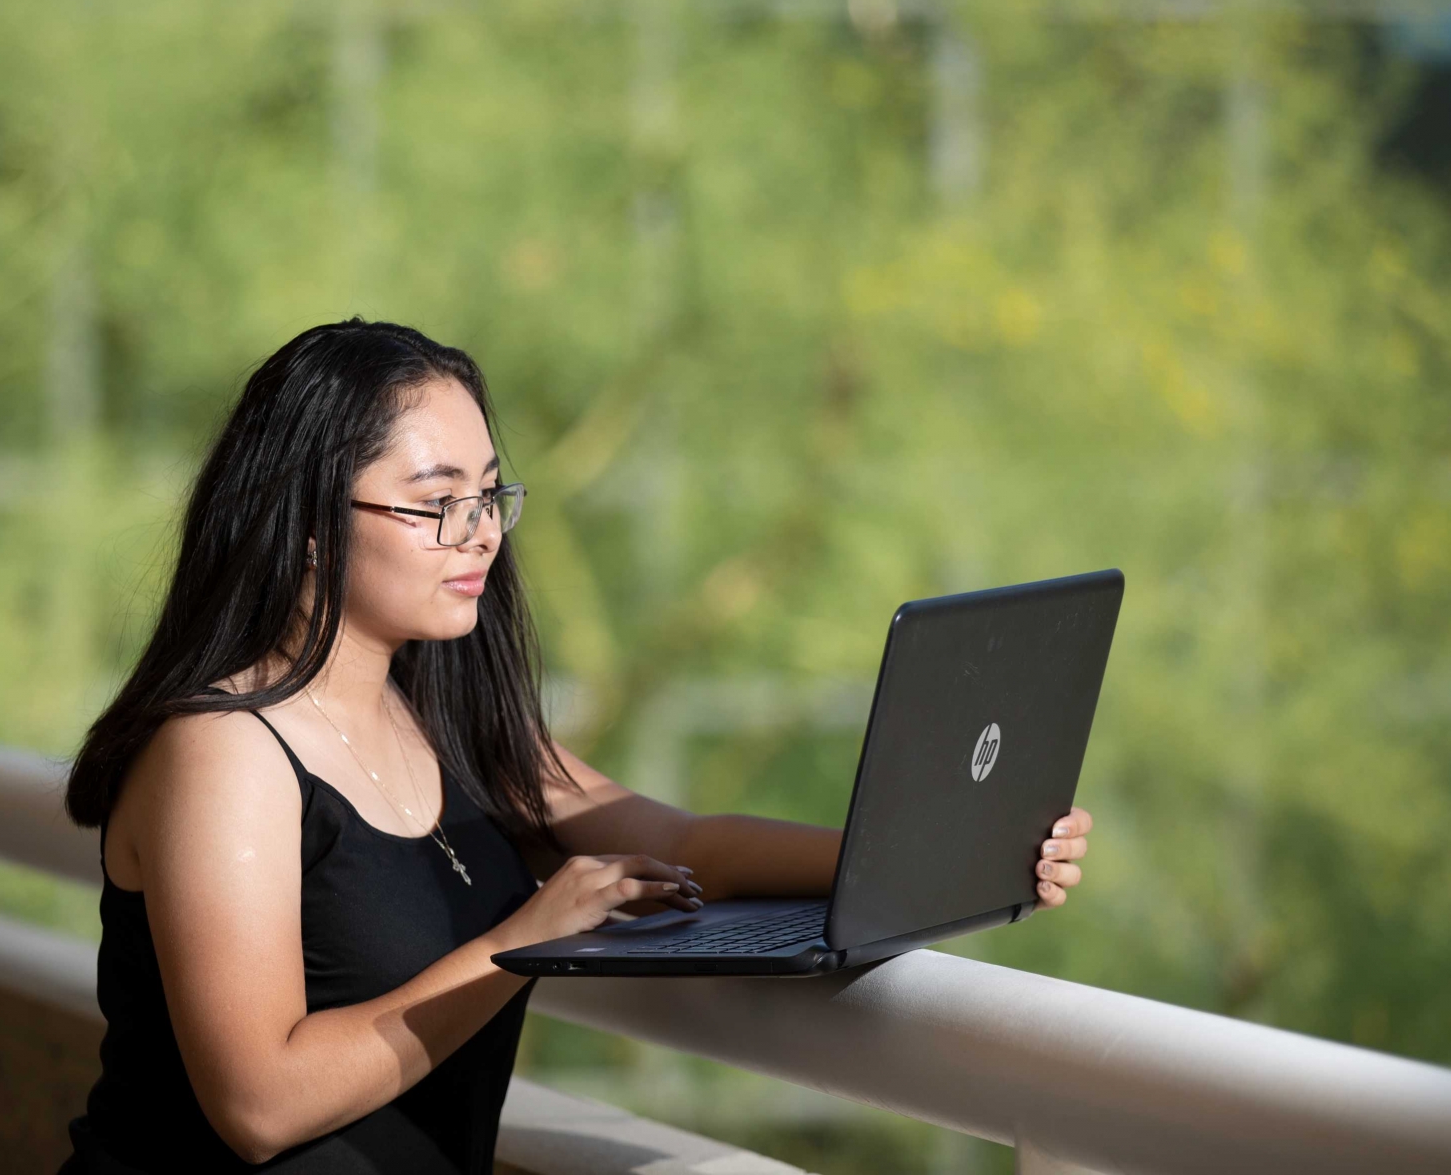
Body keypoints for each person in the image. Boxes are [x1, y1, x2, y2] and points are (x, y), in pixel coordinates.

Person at [59, 319, 1093, 1173]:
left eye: (490, 493)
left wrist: (948, 847)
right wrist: (525, 939)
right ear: (311, 522)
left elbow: (692, 842)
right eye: (435, 502)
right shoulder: (225, 749)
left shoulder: (449, 721)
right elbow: (260, 1101)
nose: (479, 533)